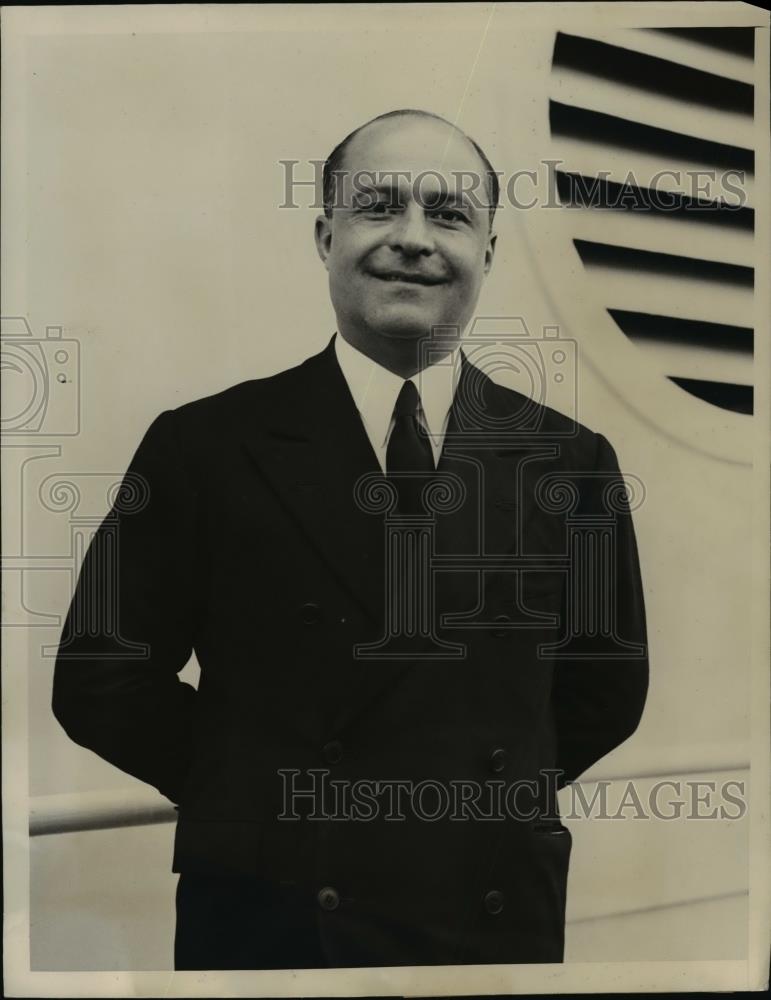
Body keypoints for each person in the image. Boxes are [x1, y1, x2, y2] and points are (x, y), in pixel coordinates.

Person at [52, 109, 649, 969]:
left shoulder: (574, 460)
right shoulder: (205, 445)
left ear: (488, 251)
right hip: (274, 912)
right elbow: (101, 677)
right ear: (326, 232)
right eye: (378, 206)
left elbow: (606, 692)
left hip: (487, 913)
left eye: (448, 215)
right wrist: (266, 799)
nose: (413, 239)